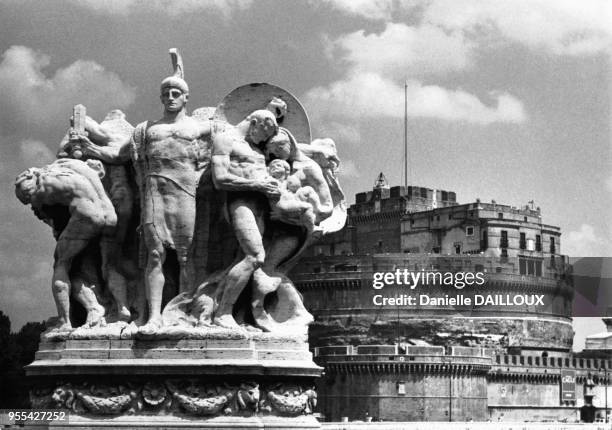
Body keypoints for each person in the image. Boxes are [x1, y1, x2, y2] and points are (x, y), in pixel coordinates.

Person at [74, 49, 212, 334]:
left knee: (187, 257)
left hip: (186, 198)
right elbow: (118, 155)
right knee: (154, 255)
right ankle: (154, 316)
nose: (171, 97)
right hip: (154, 198)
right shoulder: (144, 131)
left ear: (186, 98)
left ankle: (186, 313)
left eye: (176, 92)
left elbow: (233, 144)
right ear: (161, 98)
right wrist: (91, 149)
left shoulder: (200, 129)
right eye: (167, 93)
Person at [15, 158, 116, 330]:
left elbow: (44, 214)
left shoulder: (41, 191)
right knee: (107, 265)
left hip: (87, 218)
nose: (30, 198)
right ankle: (109, 305)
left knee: (61, 265)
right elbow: (93, 172)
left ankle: (66, 321)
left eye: (28, 195)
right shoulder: (65, 165)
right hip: (110, 214)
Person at [210, 109, 280, 329]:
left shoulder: (256, 149)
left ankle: (241, 314)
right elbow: (219, 179)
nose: (263, 140)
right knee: (255, 256)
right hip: (240, 203)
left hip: (261, 206)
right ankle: (222, 313)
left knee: (250, 260)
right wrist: (256, 185)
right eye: (263, 133)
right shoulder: (225, 140)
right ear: (255, 122)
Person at [266, 158, 320, 232]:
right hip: (281, 204)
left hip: (288, 200)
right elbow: (275, 192)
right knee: (307, 207)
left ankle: (317, 212)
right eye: (272, 167)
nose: (275, 167)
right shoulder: (271, 179)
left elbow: (293, 187)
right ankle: (312, 229)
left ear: (286, 170)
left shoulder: (286, 182)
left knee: (308, 189)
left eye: (278, 165)